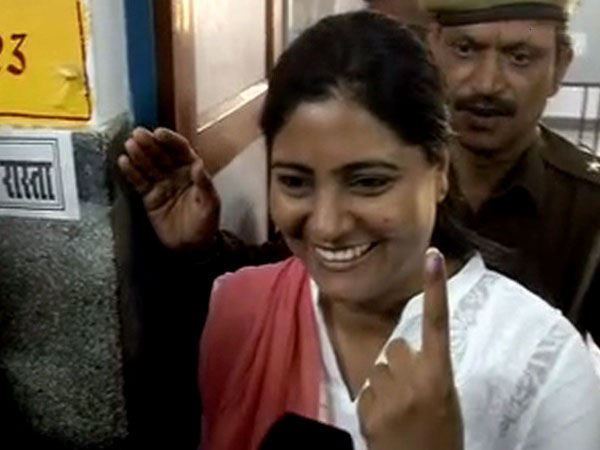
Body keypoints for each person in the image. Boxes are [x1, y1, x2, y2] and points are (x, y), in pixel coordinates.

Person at [198, 12, 600, 450]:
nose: (328, 226)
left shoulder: (543, 362)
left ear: (440, 171)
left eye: (368, 182)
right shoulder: (237, 315)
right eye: (295, 182)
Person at [119, 0, 600, 344]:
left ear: (560, 65)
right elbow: (286, 282)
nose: (487, 83)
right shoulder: (352, 165)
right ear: (433, 48)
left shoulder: (589, 210)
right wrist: (199, 247)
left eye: (520, 57)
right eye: (466, 50)